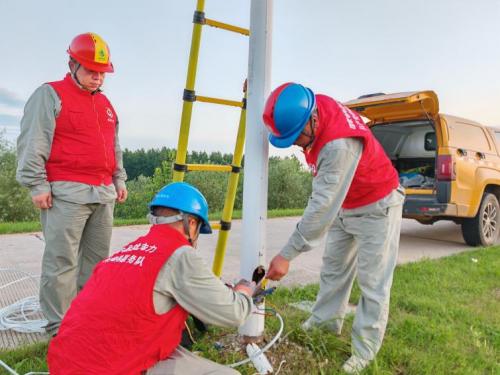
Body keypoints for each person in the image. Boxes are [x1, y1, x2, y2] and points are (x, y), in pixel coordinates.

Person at [263, 83, 404, 373]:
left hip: (377, 205)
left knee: (373, 282)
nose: (294, 145)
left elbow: (321, 208)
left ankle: (364, 352)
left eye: (297, 138)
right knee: (333, 270)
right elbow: (285, 107)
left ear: (313, 120)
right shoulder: (311, 104)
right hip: (347, 203)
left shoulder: (338, 146)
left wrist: (287, 255)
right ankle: (324, 325)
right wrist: (254, 96)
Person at [47, 182, 254, 374]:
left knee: (175, 352)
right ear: (191, 223)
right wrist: (244, 290)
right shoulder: (180, 253)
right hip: (107, 368)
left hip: (64, 362)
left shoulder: (125, 253)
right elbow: (235, 313)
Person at [16, 32, 127, 336]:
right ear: (73, 63)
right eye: (91, 70)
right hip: (66, 193)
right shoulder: (50, 94)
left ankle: (87, 320)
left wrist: (119, 178)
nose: (97, 78)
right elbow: (33, 140)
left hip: (103, 193)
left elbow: (113, 145)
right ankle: (60, 331)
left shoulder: (106, 104)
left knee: (96, 264)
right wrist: (36, 184)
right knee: (61, 263)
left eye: (102, 73)